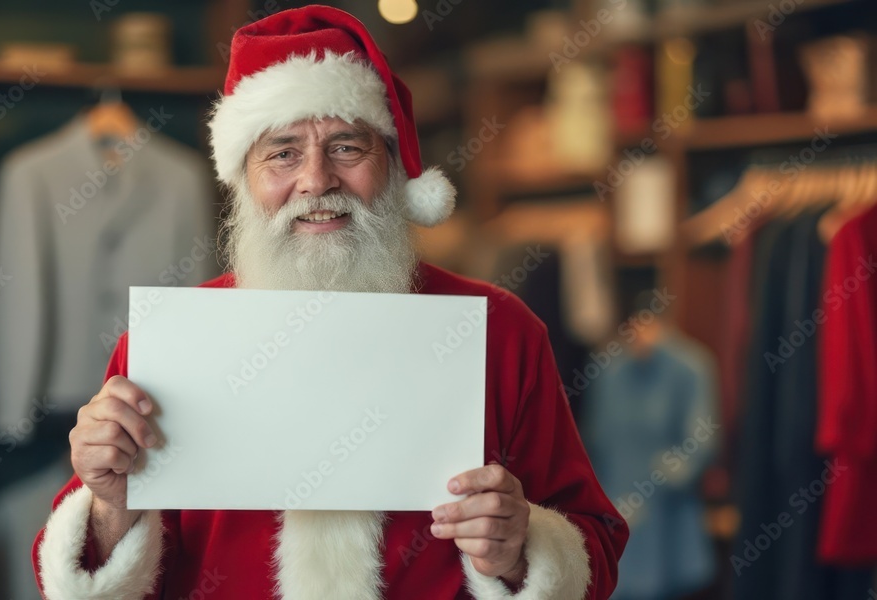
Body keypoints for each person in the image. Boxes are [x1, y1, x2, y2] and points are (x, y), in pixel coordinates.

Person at [31, 6, 627, 599]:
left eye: (346, 147)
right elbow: (83, 585)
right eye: (282, 152)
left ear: (393, 167)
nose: (316, 181)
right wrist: (110, 506)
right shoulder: (166, 347)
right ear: (244, 178)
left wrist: (522, 548)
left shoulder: (504, 332)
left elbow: (595, 546)